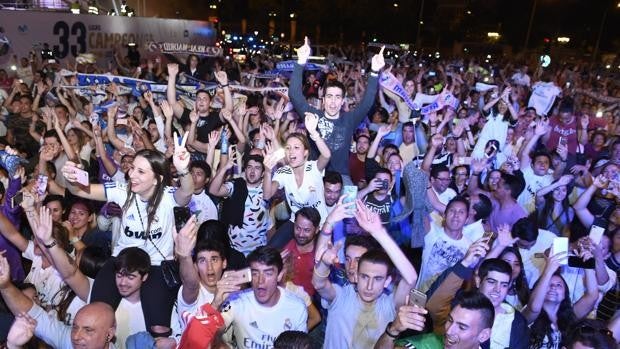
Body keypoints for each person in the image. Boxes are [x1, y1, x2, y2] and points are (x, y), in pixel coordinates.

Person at [61, 134, 194, 336]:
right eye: (132, 168)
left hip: (157, 264)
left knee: (158, 328)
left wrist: (183, 169)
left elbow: (186, 193)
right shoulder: (122, 191)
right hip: (121, 261)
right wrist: (71, 178)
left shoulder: (168, 196)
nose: (132, 174)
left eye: (141, 171)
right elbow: (82, 190)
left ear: (157, 179)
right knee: (97, 312)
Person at [313, 203, 417, 348]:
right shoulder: (341, 295)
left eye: (378, 279)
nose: (369, 286)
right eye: (364, 277)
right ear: (358, 275)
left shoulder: (388, 305)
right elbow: (319, 283)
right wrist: (324, 262)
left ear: (387, 281)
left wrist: (379, 232)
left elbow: (410, 279)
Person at [289, 37, 385, 184]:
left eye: (337, 97)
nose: (333, 102)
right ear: (323, 99)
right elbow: (295, 95)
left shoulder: (349, 119)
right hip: (316, 175)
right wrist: (300, 62)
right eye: (329, 96)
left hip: (341, 177)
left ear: (342, 101)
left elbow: (367, 103)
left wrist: (374, 72)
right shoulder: (313, 116)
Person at [0, 253, 117, 348]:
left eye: (88, 330)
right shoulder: (69, 341)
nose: (76, 336)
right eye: (75, 327)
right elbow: (35, 315)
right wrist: (5, 286)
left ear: (109, 334)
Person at [219, 246, 308, 348]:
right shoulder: (237, 301)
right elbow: (211, 334)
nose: (260, 280)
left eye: (268, 273)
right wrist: (218, 302)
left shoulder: (297, 307)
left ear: (280, 275)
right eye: (255, 273)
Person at [263, 117, 331, 249]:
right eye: (288, 148)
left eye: (296, 147)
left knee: (322, 257)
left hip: (320, 224)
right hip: (296, 221)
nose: (291, 151)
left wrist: (314, 133)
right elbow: (267, 195)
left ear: (305, 152)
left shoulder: (313, 168)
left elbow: (327, 155)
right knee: (271, 249)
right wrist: (267, 171)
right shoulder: (284, 172)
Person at [376, 291, 495, 349]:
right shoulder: (425, 344)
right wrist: (393, 330)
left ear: (484, 335)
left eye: (462, 327)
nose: (449, 331)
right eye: (450, 320)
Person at [209, 154, 270, 256]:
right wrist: (224, 169)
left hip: (259, 251)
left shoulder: (268, 190)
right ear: (245, 170)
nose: (252, 171)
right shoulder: (236, 186)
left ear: (263, 173)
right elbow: (213, 190)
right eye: (249, 167)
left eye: (257, 168)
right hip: (235, 249)